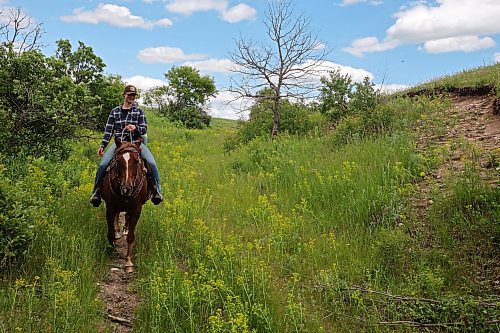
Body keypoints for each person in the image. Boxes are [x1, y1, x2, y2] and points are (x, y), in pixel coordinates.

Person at [89, 84, 163, 207]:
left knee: (152, 163)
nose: (131, 97)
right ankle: (96, 192)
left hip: (135, 143)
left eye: (133, 95)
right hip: (120, 144)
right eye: (129, 95)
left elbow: (144, 129)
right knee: (103, 164)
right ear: (124, 95)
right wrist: (103, 145)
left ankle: (157, 191)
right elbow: (109, 130)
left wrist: (135, 127)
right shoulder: (115, 112)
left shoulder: (139, 111)